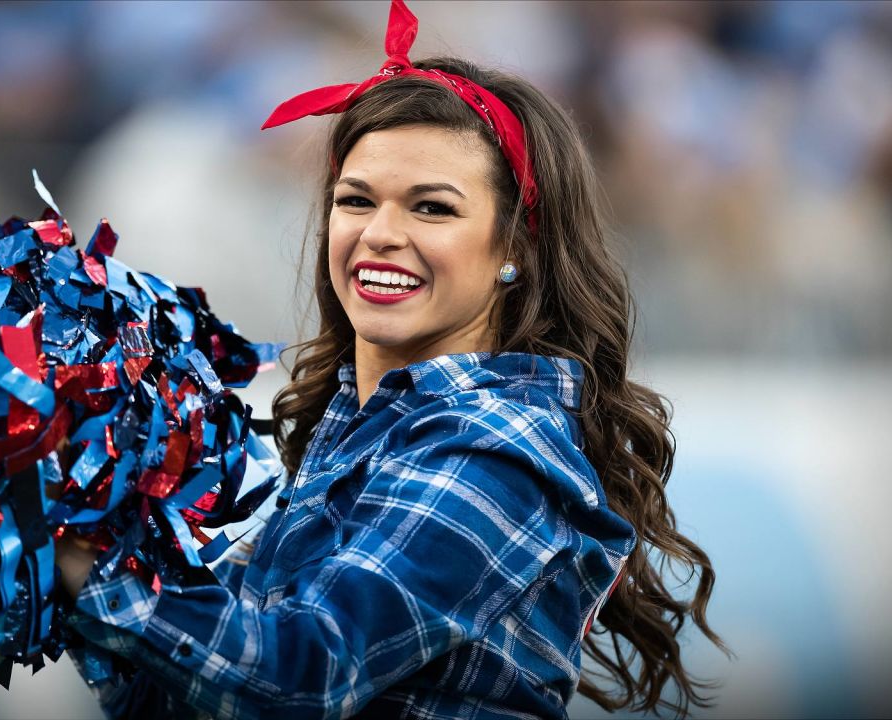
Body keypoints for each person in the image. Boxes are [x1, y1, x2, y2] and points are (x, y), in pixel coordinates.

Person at [55, 1, 725, 718]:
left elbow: (302, 677)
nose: (380, 233)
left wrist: (85, 567)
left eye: (431, 208)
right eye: (356, 200)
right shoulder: (360, 426)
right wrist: (47, 532)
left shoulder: (495, 451)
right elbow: (192, 696)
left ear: (516, 249)